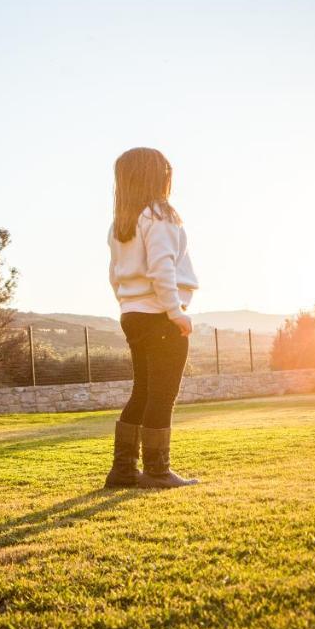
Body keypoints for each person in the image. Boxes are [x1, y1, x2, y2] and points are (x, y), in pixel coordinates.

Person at [104, 147, 201, 488]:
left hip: (133, 314)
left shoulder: (122, 223)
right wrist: (175, 312)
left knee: (142, 393)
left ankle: (123, 471)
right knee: (161, 394)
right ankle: (158, 472)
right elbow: (162, 268)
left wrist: (127, 304)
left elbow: (114, 273)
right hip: (160, 315)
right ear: (157, 176)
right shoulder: (160, 215)